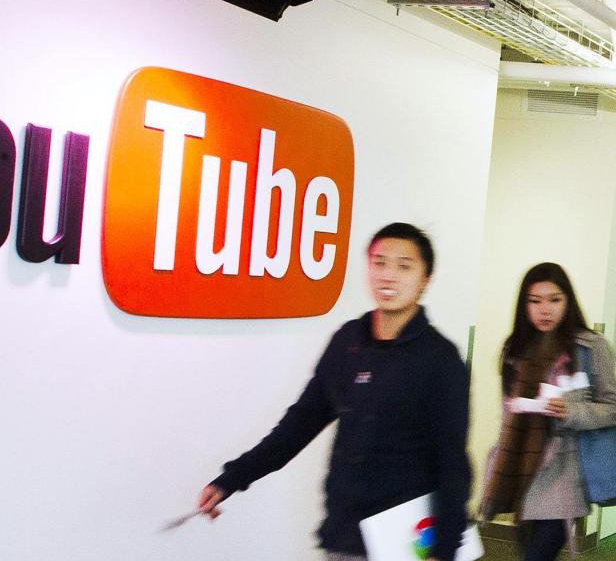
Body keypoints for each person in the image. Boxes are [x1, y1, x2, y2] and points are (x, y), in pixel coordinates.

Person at [197, 222, 471, 561]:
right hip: (344, 535)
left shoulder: (440, 359)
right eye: (379, 262)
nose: (388, 276)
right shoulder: (348, 342)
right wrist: (231, 479)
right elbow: (299, 425)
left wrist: (444, 550)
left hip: (405, 541)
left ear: (425, 280)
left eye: (404, 266)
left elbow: (452, 464)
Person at [481, 262, 616, 561]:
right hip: (520, 469)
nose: (545, 310)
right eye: (535, 301)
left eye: (554, 299)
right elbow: (507, 416)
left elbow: (612, 407)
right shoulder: (514, 348)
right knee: (528, 550)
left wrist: (572, 411)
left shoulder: (590, 348)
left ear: (568, 301)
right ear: (524, 305)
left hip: (564, 471)